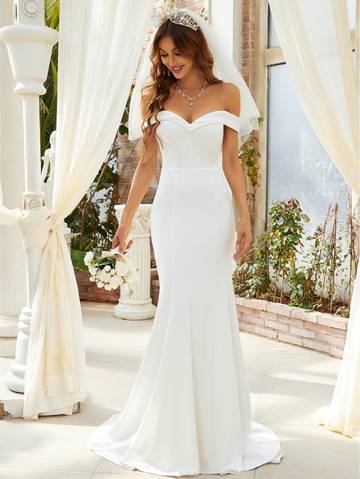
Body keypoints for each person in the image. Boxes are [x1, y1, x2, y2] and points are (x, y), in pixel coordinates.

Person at [87, 7, 283, 475]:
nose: (171, 61)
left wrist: (243, 217)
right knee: (177, 303)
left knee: (212, 303)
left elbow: (232, 162)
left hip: (213, 207)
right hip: (173, 210)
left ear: (197, 49)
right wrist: (128, 220)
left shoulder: (229, 94)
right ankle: (170, 425)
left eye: (178, 52)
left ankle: (218, 427)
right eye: (164, 54)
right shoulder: (154, 95)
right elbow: (149, 164)